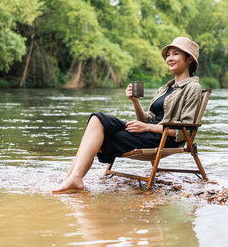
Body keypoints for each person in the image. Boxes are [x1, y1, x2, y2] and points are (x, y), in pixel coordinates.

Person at [52, 37, 202, 193]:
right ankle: (71, 177)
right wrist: (135, 101)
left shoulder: (192, 87)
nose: (169, 58)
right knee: (97, 120)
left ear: (189, 59)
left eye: (175, 54)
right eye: (168, 55)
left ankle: (74, 178)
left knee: (100, 137)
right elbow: (146, 119)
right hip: (149, 132)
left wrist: (147, 127)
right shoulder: (165, 88)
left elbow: (185, 131)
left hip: (165, 139)